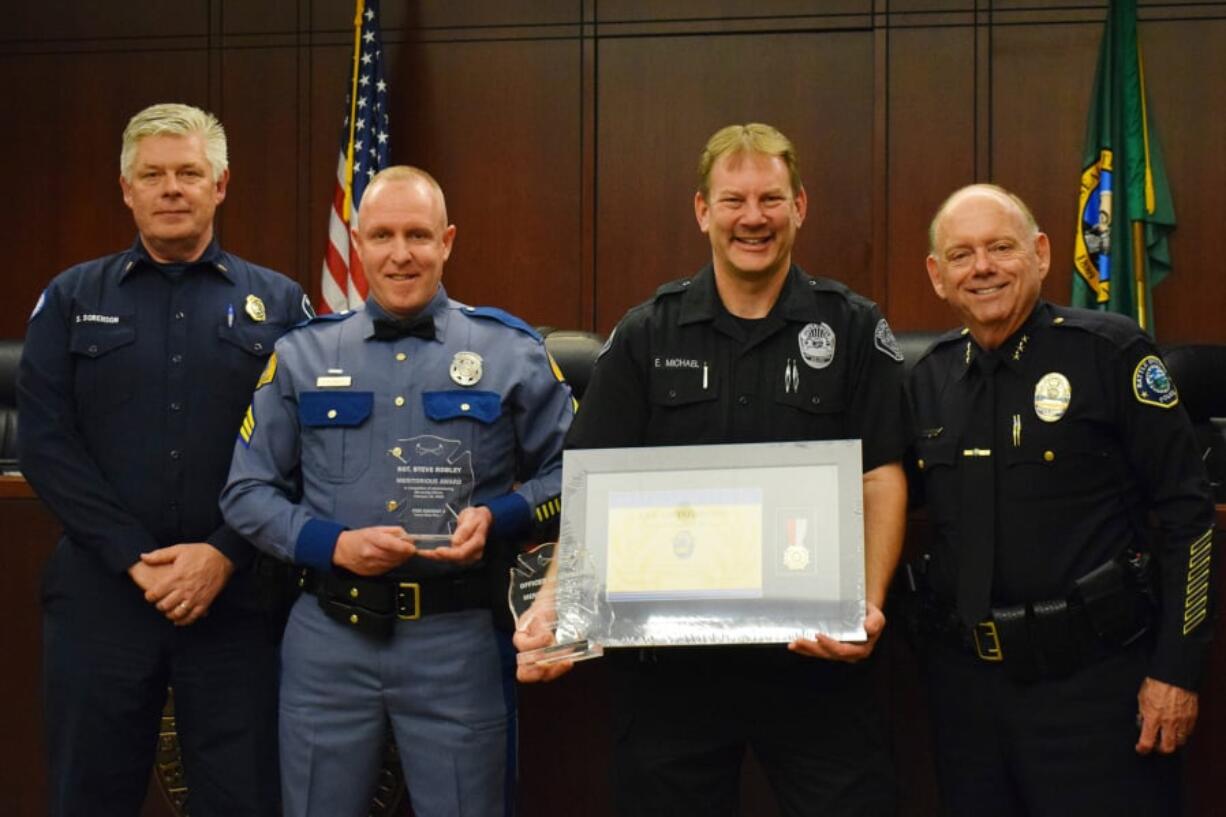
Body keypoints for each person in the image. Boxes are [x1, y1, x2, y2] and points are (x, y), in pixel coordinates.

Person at [517, 123, 907, 816]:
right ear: (703, 211)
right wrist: (556, 608)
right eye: (733, 200)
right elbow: (592, 488)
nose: (752, 218)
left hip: (813, 661)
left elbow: (881, 474)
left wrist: (866, 604)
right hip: (674, 671)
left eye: (770, 198)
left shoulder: (850, 328)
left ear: (800, 206)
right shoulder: (647, 333)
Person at [220, 165, 574, 817]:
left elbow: (578, 474)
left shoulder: (510, 351)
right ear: (358, 244)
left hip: (458, 639)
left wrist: (503, 514)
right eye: (382, 235)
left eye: (418, 234)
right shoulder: (302, 354)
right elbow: (245, 492)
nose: (401, 252)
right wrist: (333, 544)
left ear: (448, 241)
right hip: (328, 638)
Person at [17, 102, 310, 816]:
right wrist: (133, 556)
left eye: (188, 172)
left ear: (221, 184)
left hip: (237, 598)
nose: (171, 187)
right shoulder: (69, 298)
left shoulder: (279, 303)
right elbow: (45, 444)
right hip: (102, 597)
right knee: (89, 794)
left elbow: (306, 449)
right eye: (153, 174)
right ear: (126, 189)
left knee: (245, 798)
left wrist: (222, 554)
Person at [909, 183, 1215, 816]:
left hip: (1095, 686)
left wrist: (1177, 672)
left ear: (1042, 254)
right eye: (961, 255)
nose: (983, 267)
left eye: (1000, 247)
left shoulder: (1110, 353)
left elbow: (1190, 517)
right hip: (966, 694)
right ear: (938, 276)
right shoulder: (929, 378)